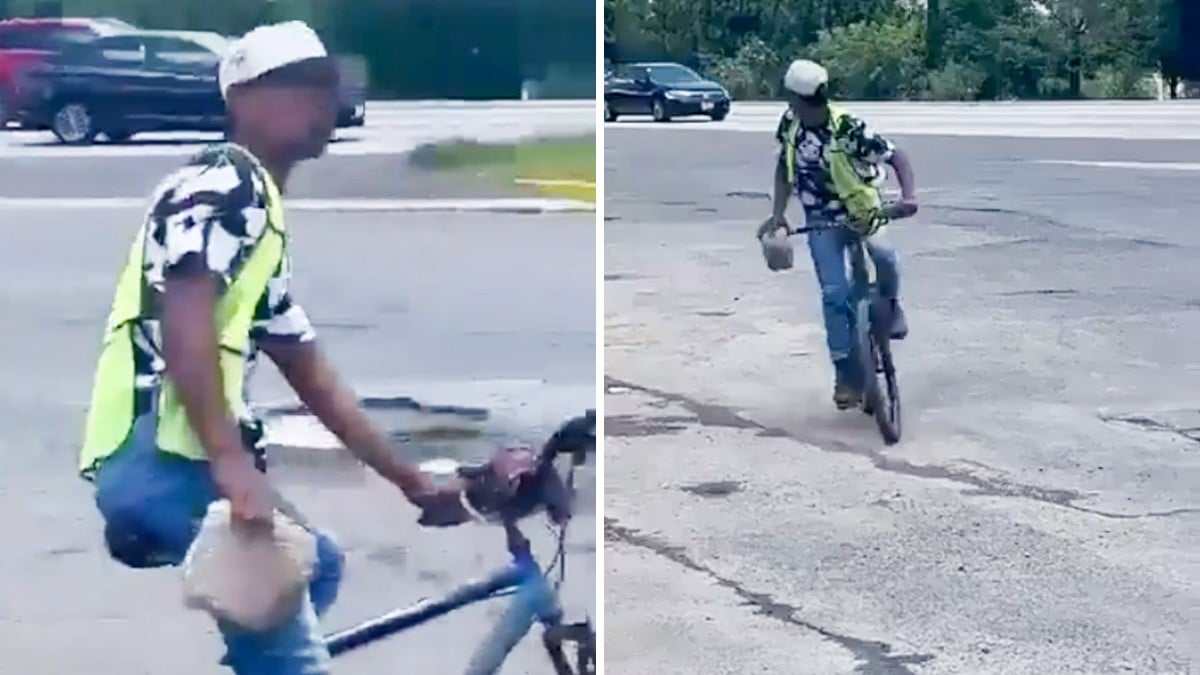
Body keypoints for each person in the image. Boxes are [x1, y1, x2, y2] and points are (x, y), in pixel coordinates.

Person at [76, 22, 485, 675]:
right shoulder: (223, 182)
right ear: (242, 100)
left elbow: (312, 373)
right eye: (299, 85)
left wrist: (410, 481)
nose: (321, 101)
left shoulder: (260, 219)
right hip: (163, 459)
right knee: (292, 658)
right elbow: (188, 322)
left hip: (181, 462)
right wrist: (233, 465)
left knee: (316, 567)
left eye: (328, 85)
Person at [767, 58, 919, 410]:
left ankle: (892, 307)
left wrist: (908, 197)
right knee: (835, 295)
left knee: (884, 258)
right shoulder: (790, 126)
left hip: (865, 212)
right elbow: (782, 169)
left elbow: (897, 157)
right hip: (821, 220)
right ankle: (846, 375)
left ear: (801, 99)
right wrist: (778, 216)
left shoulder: (849, 128)